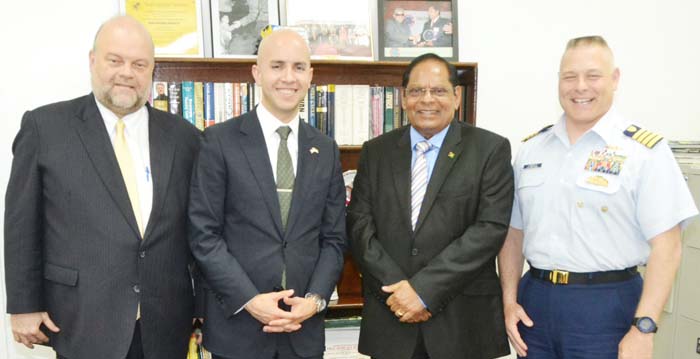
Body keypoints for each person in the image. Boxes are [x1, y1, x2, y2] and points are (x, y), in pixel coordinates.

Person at [4, 15, 201, 359]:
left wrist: (205, 307)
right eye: (115, 60)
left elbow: (200, 228)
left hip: (165, 323)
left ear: (152, 70)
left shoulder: (185, 138)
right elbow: (21, 223)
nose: (127, 72)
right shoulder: (45, 127)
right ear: (93, 60)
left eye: (139, 64)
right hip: (82, 320)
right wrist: (23, 305)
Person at [498, 35, 699, 359]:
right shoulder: (532, 149)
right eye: (569, 76)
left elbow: (668, 246)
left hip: (607, 305)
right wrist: (509, 300)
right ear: (559, 81)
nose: (580, 87)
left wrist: (644, 327)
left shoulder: (643, 152)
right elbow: (513, 232)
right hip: (536, 302)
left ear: (614, 79)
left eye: (592, 76)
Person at [188, 28, 346, 359]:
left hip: (302, 330)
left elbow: (333, 240)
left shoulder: (326, 149)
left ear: (310, 76)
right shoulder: (219, 141)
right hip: (239, 329)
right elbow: (204, 235)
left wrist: (314, 301)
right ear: (257, 73)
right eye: (277, 66)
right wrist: (250, 300)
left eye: (299, 67)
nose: (289, 77)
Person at [347, 53, 513, 359]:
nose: (427, 100)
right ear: (403, 98)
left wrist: (423, 291)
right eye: (416, 91)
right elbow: (359, 227)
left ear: (457, 96)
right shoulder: (376, 152)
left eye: (438, 91)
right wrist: (399, 292)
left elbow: (489, 230)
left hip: (462, 324)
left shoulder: (490, 150)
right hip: (391, 318)